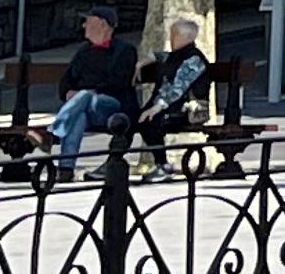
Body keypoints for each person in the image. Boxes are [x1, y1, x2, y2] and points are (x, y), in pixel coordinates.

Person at [45, 10, 130, 175]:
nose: (84, 25)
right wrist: (68, 92)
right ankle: (66, 169)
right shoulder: (83, 52)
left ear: (103, 25)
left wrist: (91, 92)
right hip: (84, 106)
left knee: (84, 96)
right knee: (78, 116)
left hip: (112, 105)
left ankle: (54, 132)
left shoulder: (124, 50)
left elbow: (119, 82)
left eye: (88, 21)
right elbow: (67, 79)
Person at [139, 17, 216, 140]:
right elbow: (161, 56)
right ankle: (116, 156)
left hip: (186, 110)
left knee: (149, 121)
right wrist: (141, 63)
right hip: (170, 106)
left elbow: (177, 89)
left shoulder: (193, 59)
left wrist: (156, 107)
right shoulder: (176, 56)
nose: (171, 38)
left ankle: (160, 159)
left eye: (175, 35)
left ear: (187, 37)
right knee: (127, 120)